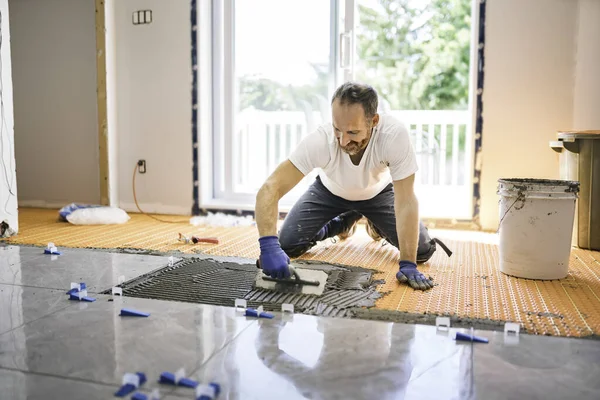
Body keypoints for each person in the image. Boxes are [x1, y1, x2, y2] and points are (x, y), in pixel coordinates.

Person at [254, 82, 451, 291]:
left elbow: (406, 200)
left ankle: (376, 223)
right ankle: (342, 222)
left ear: (374, 121)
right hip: (330, 191)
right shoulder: (321, 140)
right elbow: (270, 188)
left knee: (421, 251)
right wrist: (268, 244)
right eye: (337, 129)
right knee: (287, 245)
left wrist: (408, 264)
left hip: (377, 194)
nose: (343, 140)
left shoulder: (393, 136)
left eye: (353, 132)